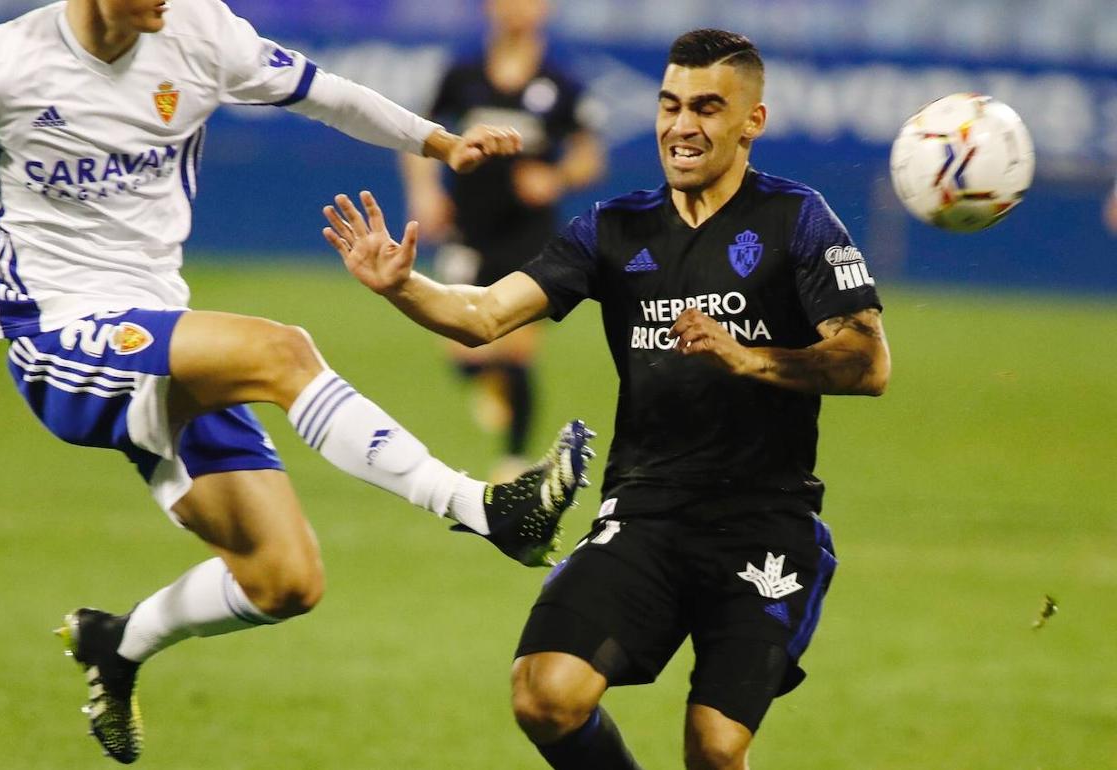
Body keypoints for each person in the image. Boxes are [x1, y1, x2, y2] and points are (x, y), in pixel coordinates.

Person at [0, 0, 595, 764]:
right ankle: (483, 508)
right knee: (281, 351)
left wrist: (440, 143)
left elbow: (329, 94)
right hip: (57, 337)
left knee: (284, 580)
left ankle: (117, 645)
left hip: (160, 341)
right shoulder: (2, 65)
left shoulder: (201, 32)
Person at [325, 29, 890, 770]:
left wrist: (745, 356)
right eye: (670, 105)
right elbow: (483, 315)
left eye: (708, 107)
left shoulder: (797, 219)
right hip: (646, 513)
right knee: (543, 694)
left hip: (764, 522)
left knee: (716, 750)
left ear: (752, 121)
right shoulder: (615, 229)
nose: (682, 125)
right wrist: (404, 285)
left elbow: (867, 360)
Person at [400, 0, 605, 481]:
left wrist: (554, 178)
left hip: (528, 234)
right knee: (461, 346)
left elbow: (589, 158)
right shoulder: (462, 74)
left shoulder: (562, 84)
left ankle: (513, 462)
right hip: (468, 229)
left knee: (517, 349)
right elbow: (417, 138)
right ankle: (488, 382)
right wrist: (425, 193)